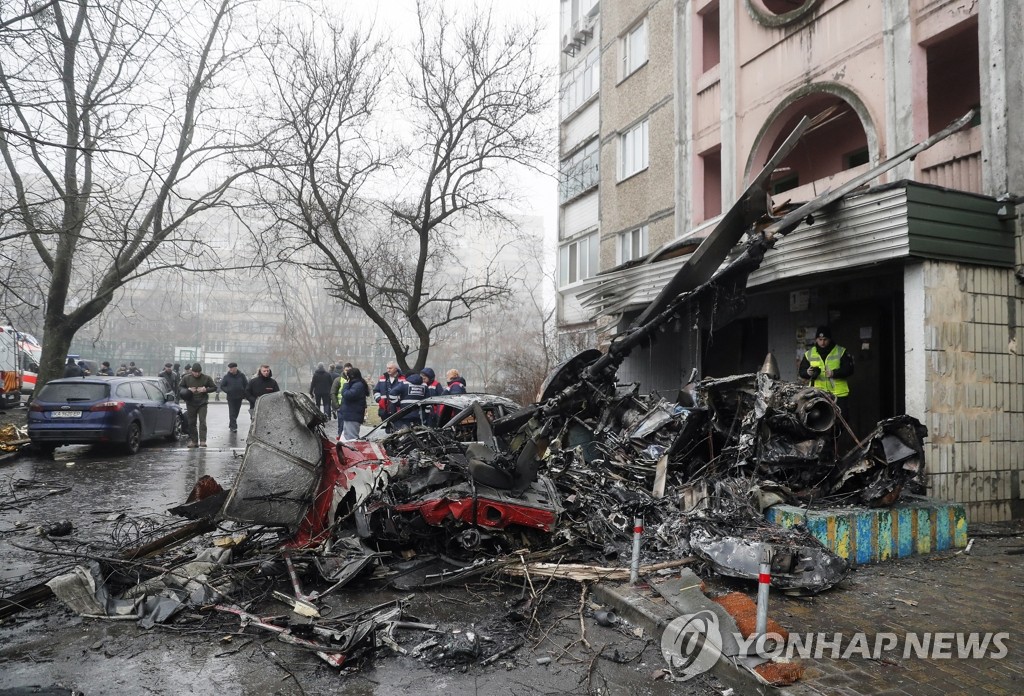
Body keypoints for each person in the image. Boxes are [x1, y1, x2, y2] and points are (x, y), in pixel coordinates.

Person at [799, 326, 854, 421]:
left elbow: (849, 369)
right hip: (818, 394)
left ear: (830, 339)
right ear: (816, 339)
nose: (822, 342)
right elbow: (802, 372)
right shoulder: (809, 354)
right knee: (820, 420)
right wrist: (808, 372)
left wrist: (834, 373)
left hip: (838, 394)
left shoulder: (840, 351)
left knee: (841, 421)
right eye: (820, 339)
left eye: (825, 339)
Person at [179, 362, 218, 448]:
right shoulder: (186, 378)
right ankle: (194, 441)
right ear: (192, 371)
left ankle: (203, 441)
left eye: (199, 372)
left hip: (202, 403)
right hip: (190, 403)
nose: (197, 374)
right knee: (191, 422)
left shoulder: (206, 378)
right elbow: (180, 387)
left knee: (202, 421)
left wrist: (206, 389)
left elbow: (215, 387)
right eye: (195, 372)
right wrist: (188, 389)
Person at [339, 367, 369, 441]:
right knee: (346, 437)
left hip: (352, 416)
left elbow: (347, 395)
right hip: (350, 415)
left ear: (350, 377)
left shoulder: (357, 385)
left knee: (351, 439)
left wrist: (345, 385)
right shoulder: (356, 384)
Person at [219, 362, 249, 433]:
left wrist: (244, 393)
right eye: (230, 368)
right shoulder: (227, 377)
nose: (230, 369)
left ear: (235, 368)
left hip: (239, 397)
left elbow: (246, 385)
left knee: (236, 412)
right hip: (231, 397)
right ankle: (233, 427)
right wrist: (228, 390)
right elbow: (222, 386)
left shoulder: (242, 376)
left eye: (232, 368)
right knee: (232, 412)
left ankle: (231, 424)